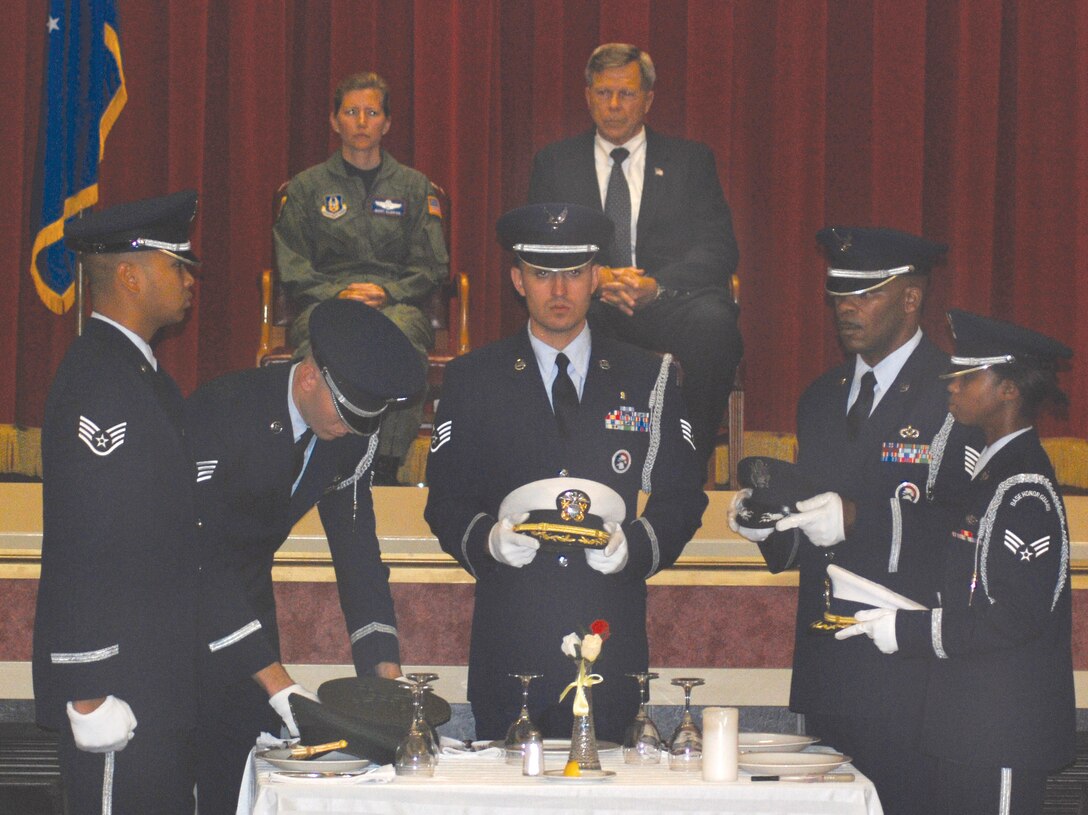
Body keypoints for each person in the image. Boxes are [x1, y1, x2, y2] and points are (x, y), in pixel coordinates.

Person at [424, 203, 707, 742]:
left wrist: (637, 547)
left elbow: (682, 497)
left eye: (574, 273)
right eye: (542, 273)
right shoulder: (472, 379)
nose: (559, 290)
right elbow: (445, 502)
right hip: (512, 641)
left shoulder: (650, 376)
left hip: (610, 635)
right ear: (517, 279)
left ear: (596, 278)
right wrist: (486, 539)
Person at [728, 226, 980, 815]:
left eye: (866, 294)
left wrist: (858, 519)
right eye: (840, 294)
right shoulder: (821, 397)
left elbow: (967, 527)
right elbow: (813, 525)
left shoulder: (958, 394)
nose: (847, 308)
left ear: (912, 298)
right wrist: (769, 529)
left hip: (909, 672)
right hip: (828, 662)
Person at [187, 298, 424, 814]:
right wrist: (277, 682)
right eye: (347, 416)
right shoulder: (223, 409)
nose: (353, 431)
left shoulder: (347, 439)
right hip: (179, 617)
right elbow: (198, 553)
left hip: (248, 607)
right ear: (311, 377)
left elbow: (359, 557)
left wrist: (387, 677)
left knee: (238, 788)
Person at [838, 309, 1075, 815]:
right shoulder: (989, 476)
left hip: (1002, 727)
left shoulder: (1024, 487)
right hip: (969, 723)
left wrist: (913, 632)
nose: (951, 387)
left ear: (1009, 389)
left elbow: (1016, 617)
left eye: (968, 376)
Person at [32, 191, 206, 813]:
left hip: (154, 678)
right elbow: (86, 535)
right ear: (129, 274)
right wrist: (86, 687)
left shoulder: (143, 376)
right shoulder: (101, 381)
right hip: (118, 687)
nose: (188, 280)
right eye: (174, 265)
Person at [528, 43, 741, 467]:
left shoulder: (690, 160)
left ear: (648, 100)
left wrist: (656, 285)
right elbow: (538, 245)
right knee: (556, 316)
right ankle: (575, 459)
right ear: (587, 96)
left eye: (625, 94)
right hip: (591, 300)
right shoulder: (555, 163)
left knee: (717, 326)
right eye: (603, 93)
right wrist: (598, 277)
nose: (613, 105)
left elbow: (719, 248)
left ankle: (686, 459)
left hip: (669, 300)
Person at [274, 71, 448, 484]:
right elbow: (292, 266)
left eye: (372, 112)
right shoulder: (305, 189)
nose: (362, 121)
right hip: (324, 302)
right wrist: (340, 293)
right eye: (351, 112)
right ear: (334, 121)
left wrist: (387, 291)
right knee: (318, 349)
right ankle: (318, 455)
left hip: (396, 305)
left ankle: (383, 464)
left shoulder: (413, 186)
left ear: (387, 124)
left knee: (399, 344)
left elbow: (433, 266)